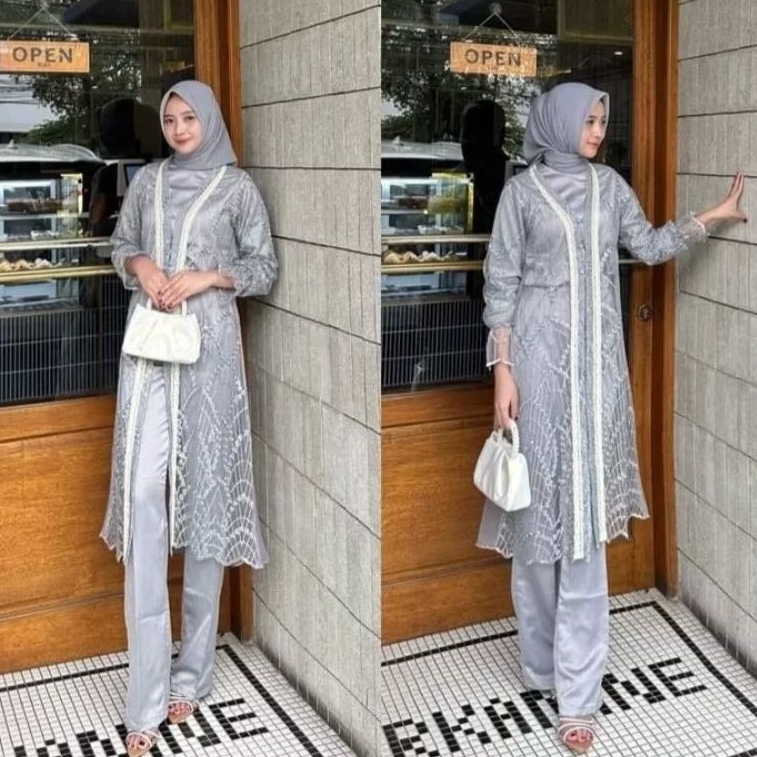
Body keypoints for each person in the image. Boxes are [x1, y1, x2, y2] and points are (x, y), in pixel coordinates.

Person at [476, 82, 745, 754]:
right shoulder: (519, 194)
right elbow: (500, 283)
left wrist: (709, 216)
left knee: (583, 528)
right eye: (589, 120)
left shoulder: (609, 188)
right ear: (559, 121)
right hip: (535, 369)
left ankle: (578, 692)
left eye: (602, 119)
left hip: (598, 374)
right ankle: (540, 665)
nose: (598, 130)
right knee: (536, 522)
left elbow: (647, 246)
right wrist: (503, 370)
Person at [100, 80, 278, 757]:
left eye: (188, 118)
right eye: (170, 119)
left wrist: (207, 276)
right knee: (145, 496)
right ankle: (144, 697)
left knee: (205, 504)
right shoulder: (146, 183)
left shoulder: (238, 189)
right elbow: (120, 244)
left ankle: (192, 675)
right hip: (149, 357)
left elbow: (264, 266)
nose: (178, 129)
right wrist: (141, 263)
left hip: (210, 360)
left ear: (209, 122)